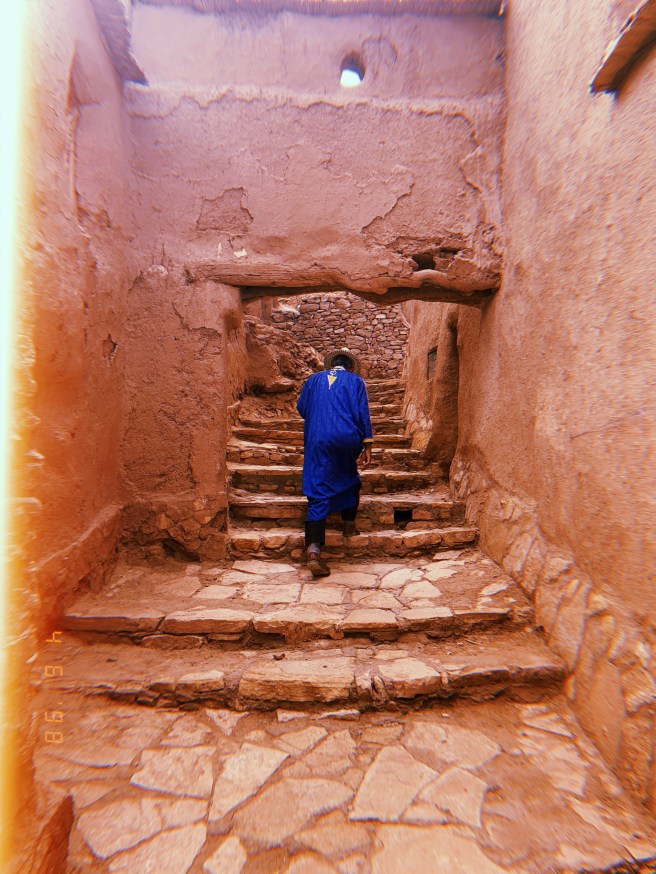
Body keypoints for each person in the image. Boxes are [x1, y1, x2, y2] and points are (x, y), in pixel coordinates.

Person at [297, 347, 373, 577]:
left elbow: (301, 408)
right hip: (347, 437)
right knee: (349, 476)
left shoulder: (313, 380)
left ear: (331, 365)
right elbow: (363, 413)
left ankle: (313, 550)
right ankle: (348, 525)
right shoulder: (356, 382)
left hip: (318, 438)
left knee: (318, 488)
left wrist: (321, 415)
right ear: (349, 367)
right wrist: (367, 445)